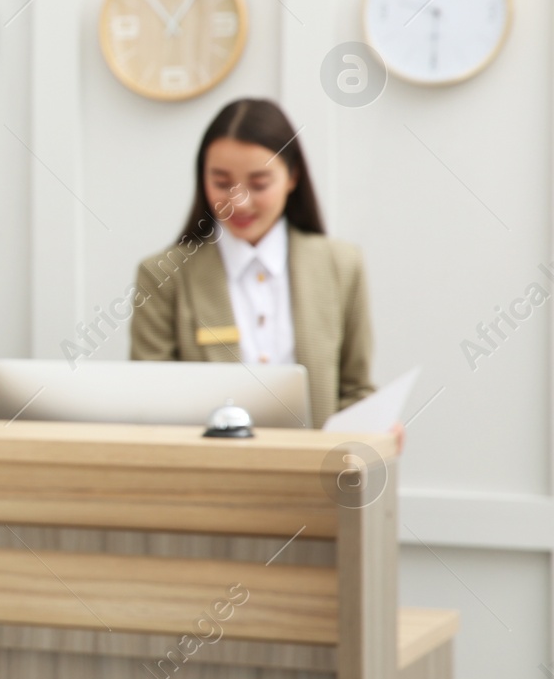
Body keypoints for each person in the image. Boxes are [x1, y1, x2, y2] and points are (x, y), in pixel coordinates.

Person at [129, 97, 403, 448]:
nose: (239, 202)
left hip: (313, 481)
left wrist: (375, 424)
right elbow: (150, 402)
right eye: (222, 182)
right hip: (203, 480)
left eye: (259, 184)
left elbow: (354, 389)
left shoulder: (341, 265)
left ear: (292, 177)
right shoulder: (162, 275)